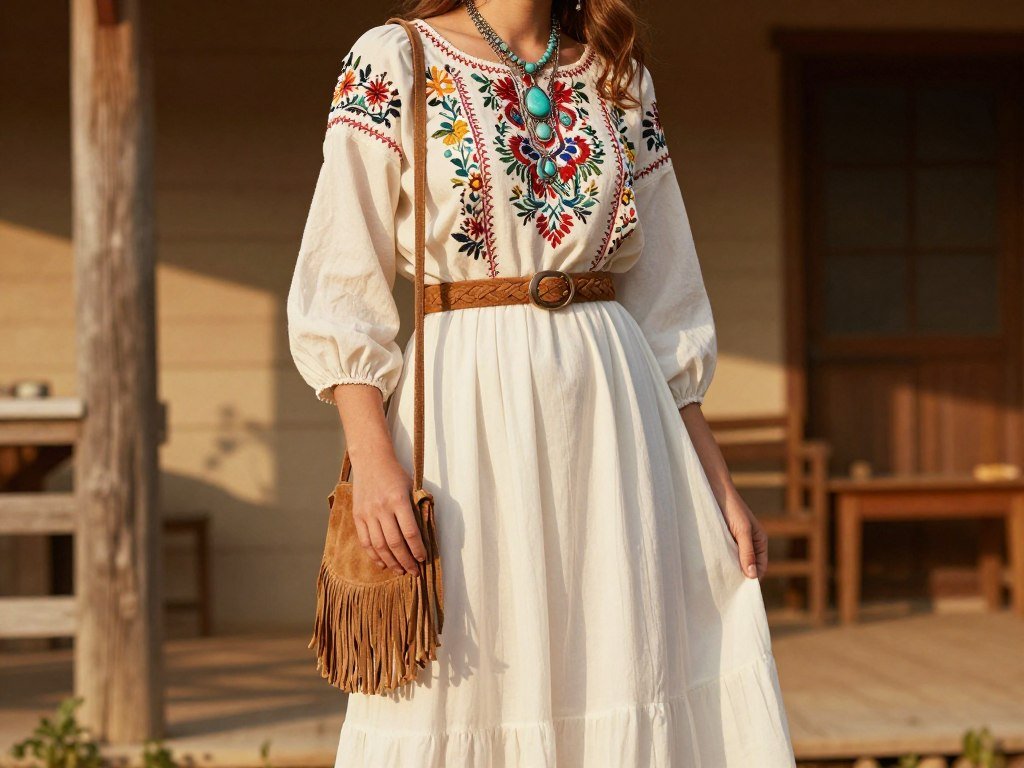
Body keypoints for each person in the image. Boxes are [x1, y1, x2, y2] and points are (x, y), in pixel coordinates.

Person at [287, 0, 796, 764]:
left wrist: (715, 476)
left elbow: (667, 297)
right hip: (465, 407)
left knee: (628, 653)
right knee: (469, 673)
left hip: (616, 411)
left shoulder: (618, 75)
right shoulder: (395, 60)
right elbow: (339, 281)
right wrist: (370, 459)